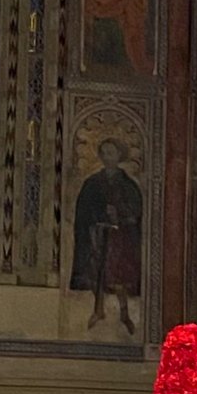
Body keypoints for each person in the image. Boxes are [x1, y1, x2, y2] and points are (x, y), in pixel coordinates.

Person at [70, 137, 143, 334]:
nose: (107, 157)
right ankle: (98, 310)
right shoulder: (92, 183)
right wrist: (97, 218)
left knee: (118, 275)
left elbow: (136, 212)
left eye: (111, 153)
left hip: (119, 237)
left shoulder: (128, 184)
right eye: (104, 153)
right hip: (97, 233)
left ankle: (124, 313)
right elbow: (84, 210)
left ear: (119, 155)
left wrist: (119, 213)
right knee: (97, 272)